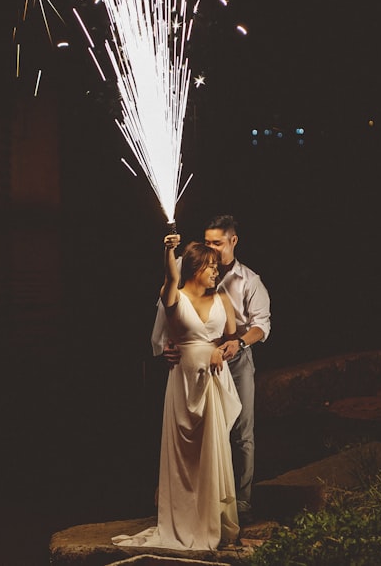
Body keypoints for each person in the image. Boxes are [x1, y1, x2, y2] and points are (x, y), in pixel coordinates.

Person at [113, 234, 242, 550]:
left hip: (211, 379)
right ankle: (183, 521)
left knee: (210, 451)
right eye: (210, 266)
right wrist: (169, 249)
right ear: (195, 268)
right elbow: (171, 277)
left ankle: (211, 520)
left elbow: (234, 338)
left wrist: (221, 349)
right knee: (183, 456)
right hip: (182, 382)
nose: (215, 272)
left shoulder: (221, 299)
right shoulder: (174, 297)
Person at [150, 214, 271, 524]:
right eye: (207, 243)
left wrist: (236, 345)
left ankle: (239, 502)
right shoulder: (188, 266)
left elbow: (260, 326)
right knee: (196, 433)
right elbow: (168, 305)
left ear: (233, 241)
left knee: (240, 431)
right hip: (193, 364)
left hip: (236, 355)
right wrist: (167, 344)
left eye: (218, 243)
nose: (212, 249)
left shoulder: (249, 280)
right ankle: (193, 501)